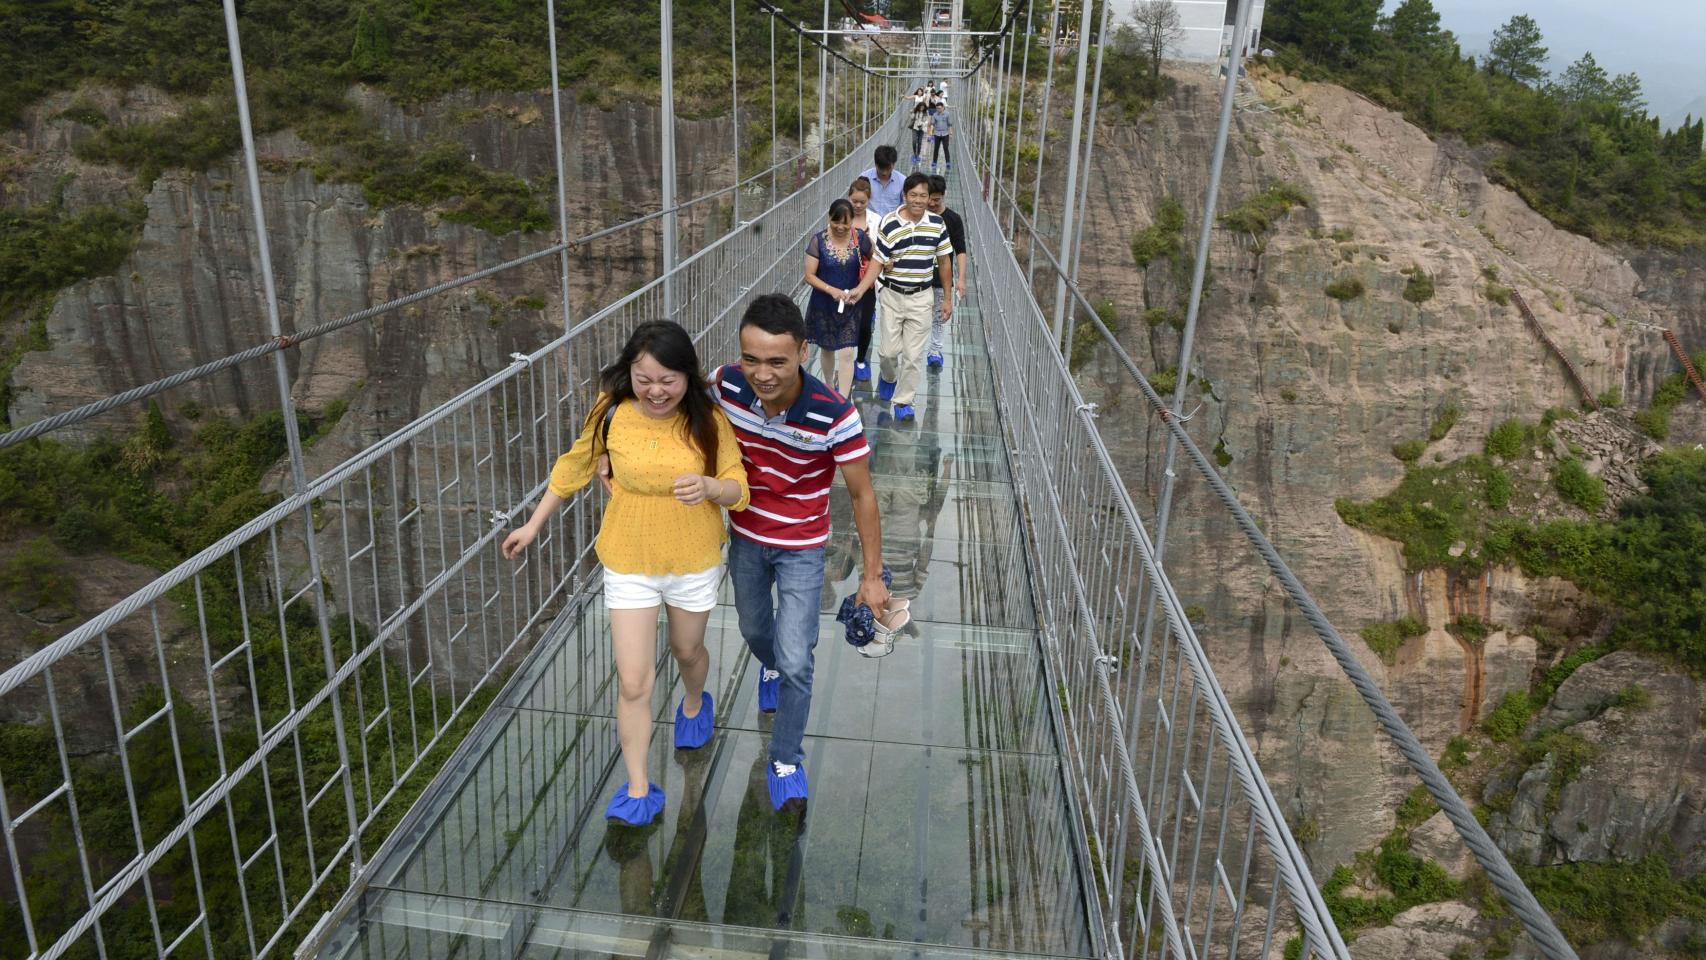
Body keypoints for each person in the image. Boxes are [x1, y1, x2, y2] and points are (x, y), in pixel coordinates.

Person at [503, 320, 749, 827]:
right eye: (644, 379)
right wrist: (532, 525)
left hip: (693, 553)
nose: (656, 391)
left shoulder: (709, 418)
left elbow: (737, 484)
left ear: (688, 375)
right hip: (628, 555)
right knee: (634, 681)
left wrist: (709, 487)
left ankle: (695, 701)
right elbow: (577, 463)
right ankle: (639, 786)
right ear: (629, 374)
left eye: (668, 380)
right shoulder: (611, 410)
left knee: (687, 651)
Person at [713, 294, 888, 810]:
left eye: (776, 362)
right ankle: (774, 662)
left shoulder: (835, 415)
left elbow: (863, 495)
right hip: (746, 535)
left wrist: (871, 576)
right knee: (754, 630)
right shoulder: (726, 385)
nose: (761, 375)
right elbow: (663, 396)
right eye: (751, 359)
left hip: (802, 547)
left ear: (804, 352)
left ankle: (786, 756)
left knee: (796, 658)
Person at [848, 172, 952, 422]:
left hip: (921, 297)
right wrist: (862, 289)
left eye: (923, 196)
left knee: (914, 356)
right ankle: (888, 377)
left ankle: (904, 402)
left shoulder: (937, 224)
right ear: (904, 196)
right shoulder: (889, 222)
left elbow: (944, 261)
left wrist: (948, 298)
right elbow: (878, 260)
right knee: (887, 353)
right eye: (913, 195)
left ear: (929, 199)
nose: (918, 200)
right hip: (893, 295)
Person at [802, 199, 871, 396]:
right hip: (824, 303)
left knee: (848, 351)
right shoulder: (818, 241)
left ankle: (843, 399)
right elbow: (809, 276)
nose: (840, 227)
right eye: (836, 222)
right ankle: (830, 389)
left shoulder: (860, 238)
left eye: (846, 223)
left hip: (851, 303)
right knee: (827, 348)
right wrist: (830, 290)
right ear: (829, 218)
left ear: (852, 221)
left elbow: (875, 259)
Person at [925, 175, 967, 370]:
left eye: (936, 199)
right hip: (919, 278)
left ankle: (935, 351)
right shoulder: (918, 216)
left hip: (942, 277)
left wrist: (961, 279)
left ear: (944, 196)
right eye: (929, 199)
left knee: (940, 316)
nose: (932, 204)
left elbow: (961, 250)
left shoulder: (953, 219)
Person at [847, 177, 880, 384]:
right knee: (846, 323)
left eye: (862, 202)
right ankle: (846, 360)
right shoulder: (840, 217)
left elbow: (881, 251)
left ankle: (860, 360)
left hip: (867, 281)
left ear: (869, 200)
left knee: (865, 324)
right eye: (854, 201)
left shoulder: (877, 220)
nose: (858, 206)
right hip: (843, 279)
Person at [858, 145, 904, 219]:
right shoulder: (864, 178)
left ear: (894, 164)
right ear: (876, 164)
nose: (884, 173)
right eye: (881, 168)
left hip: (892, 222)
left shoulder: (902, 181)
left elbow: (904, 205)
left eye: (888, 169)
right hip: (869, 222)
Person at [928, 101, 953, 173]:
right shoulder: (935, 115)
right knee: (936, 148)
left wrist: (950, 133)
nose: (938, 110)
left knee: (946, 148)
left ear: (943, 108)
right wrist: (931, 132)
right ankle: (934, 162)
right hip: (937, 133)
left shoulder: (947, 114)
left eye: (939, 108)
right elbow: (932, 124)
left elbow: (950, 124)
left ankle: (948, 162)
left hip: (945, 133)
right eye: (937, 108)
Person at [909, 102, 930, 167]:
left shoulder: (926, 113)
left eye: (923, 107)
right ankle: (914, 153)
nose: (921, 108)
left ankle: (917, 155)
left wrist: (922, 124)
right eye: (920, 107)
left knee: (920, 142)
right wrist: (911, 112)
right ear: (918, 107)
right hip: (915, 128)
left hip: (922, 129)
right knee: (914, 141)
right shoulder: (916, 112)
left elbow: (927, 121)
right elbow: (912, 118)